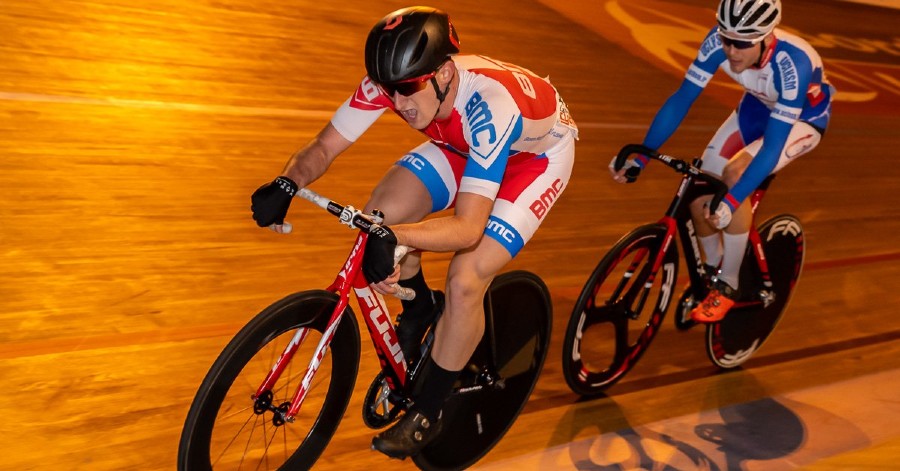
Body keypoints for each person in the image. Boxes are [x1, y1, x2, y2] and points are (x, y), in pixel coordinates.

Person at [249, 6, 577, 459]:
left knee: (465, 279)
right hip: (462, 146)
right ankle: (420, 309)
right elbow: (325, 146)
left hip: (533, 162)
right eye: (390, 90)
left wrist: (399, 238)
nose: (399, 102)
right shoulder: (394, 81)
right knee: (379, 212)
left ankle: (429, 409)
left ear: (443, 73)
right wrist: (287, 181)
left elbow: (467, 229)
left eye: (408, 89)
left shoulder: (489, 106)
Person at [610, 0, 833, 323]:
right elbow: (681, 99)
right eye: (726, 38)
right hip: (757, 107)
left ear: (766, 37)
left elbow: (772, 146)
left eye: (741, 43)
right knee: (701, 190)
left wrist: (734, 197)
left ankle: (729, 285)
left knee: (734, 174)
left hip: (801, 120)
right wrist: (643, 156)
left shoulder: (791, 64)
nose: (731, 50)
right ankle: (714, 275)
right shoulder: (718, 41)